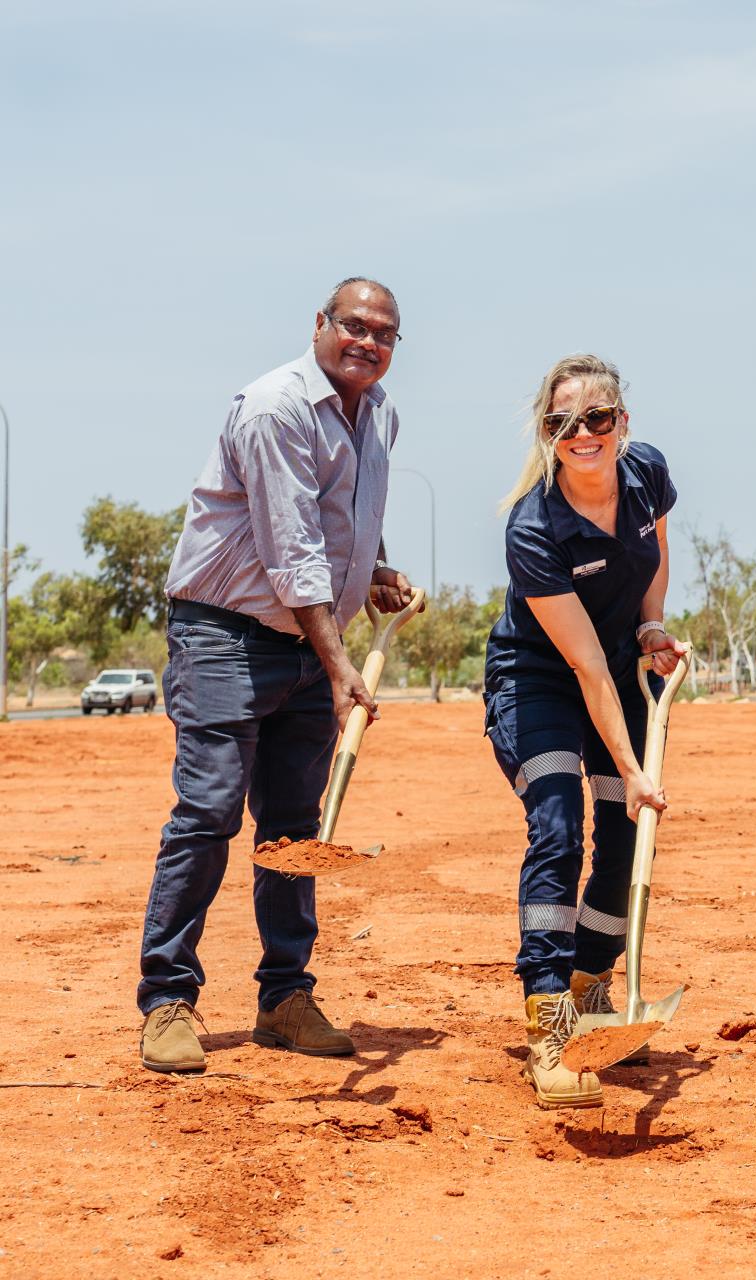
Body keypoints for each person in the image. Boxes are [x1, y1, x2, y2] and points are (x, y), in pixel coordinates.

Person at [139, 278, 419, 1073]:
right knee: (208, 813)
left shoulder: (380, 414)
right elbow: (289, 547)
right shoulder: (275, 408)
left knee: (296, 831)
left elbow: (342, 519)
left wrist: (375, 569)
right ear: (320, 325)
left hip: (303, 636)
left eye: (386, 334)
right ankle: (166, 1001)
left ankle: (284, 998)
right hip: (225, 635)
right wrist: (339, 667)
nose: (368, 342)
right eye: (355, 326)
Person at [482, 354, 685, 1109]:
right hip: (539, 681)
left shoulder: (648, 474)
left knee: (626, 835)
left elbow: (657, 550)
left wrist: (654, 621)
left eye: (598, 418)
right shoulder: (534, 526)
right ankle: (549, 1018)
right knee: (560, 825)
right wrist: (632, 765)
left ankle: (592, 974)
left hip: (617, 670)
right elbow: (586, 666)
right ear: (546, 435)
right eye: (563, 423)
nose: (583, 433)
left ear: (622, 424)